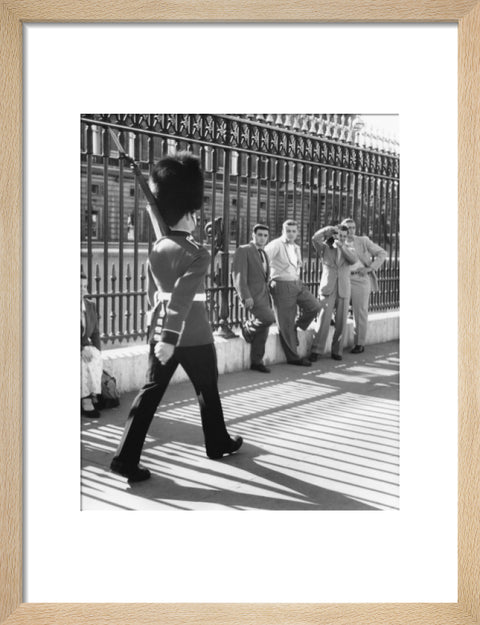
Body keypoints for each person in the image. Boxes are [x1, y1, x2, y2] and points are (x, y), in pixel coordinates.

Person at [110, 152, 242, 483]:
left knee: (149, 395)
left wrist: (162, 334)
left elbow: (158, 291)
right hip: (193, 336)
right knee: (207, 391)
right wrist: (171, 338)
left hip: (161, 334)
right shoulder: (199, 252)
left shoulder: (157, 248)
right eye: (195, 214)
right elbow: (183, 298)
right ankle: (216, 441)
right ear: (187, 214)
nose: (198, 218)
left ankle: (126, 457)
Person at [264, 219, 322, 366]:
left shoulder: (296, 247)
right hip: (282, 285)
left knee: (315, 306)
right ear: (283, 231)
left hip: (297, 283)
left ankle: (297, 326)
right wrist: (267, 279)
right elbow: (263, 260)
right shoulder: (276, 244)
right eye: (288, 231)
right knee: (286, 322)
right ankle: (293, 357)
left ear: (297, 232)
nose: (291, 234)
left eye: (294, 231)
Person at [309, 224, 358, 361]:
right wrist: (328, 230)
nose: (341, 238)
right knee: (323, 320)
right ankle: (316, 350)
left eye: (343, 236)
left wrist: (341, 246)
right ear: (334, 235)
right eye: (339, 235)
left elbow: (353, 260)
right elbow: (314, 238)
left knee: (341, 322)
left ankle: (337, 351)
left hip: (343, 290)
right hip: (328, 289)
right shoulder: (325, 248)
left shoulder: (350, 249)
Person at [231, 224, 275, 373]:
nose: (262, 238)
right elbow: (238, 275)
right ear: (253, 235)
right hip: (252, 296)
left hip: (264, 295)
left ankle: (257, 361)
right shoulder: (244, 250)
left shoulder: (264, 253)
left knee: (264, 330)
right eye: (260, 235)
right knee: (268, 319)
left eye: (265, 235)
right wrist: (245, 296)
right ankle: (248, 328)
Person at [341, 218, 387, 353]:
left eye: (353, 227)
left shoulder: (363, 241)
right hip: (343, 279)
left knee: (360, 312)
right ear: (341, 228)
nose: (351, 230)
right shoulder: (337, 240)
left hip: (360, 279)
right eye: (347, 227)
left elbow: (382, 253)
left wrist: (370, 268)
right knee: (335, 306)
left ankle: (359, 343)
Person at [81, 272, 103, 418]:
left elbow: (95, 332)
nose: (83, 289)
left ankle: (93, 392)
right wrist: (81, 349)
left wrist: (98, 351)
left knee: (94, 356)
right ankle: (85, 400)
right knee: (82, 362)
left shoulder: (90, 305)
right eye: (78, 286)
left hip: (84, 345)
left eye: (84, 286)